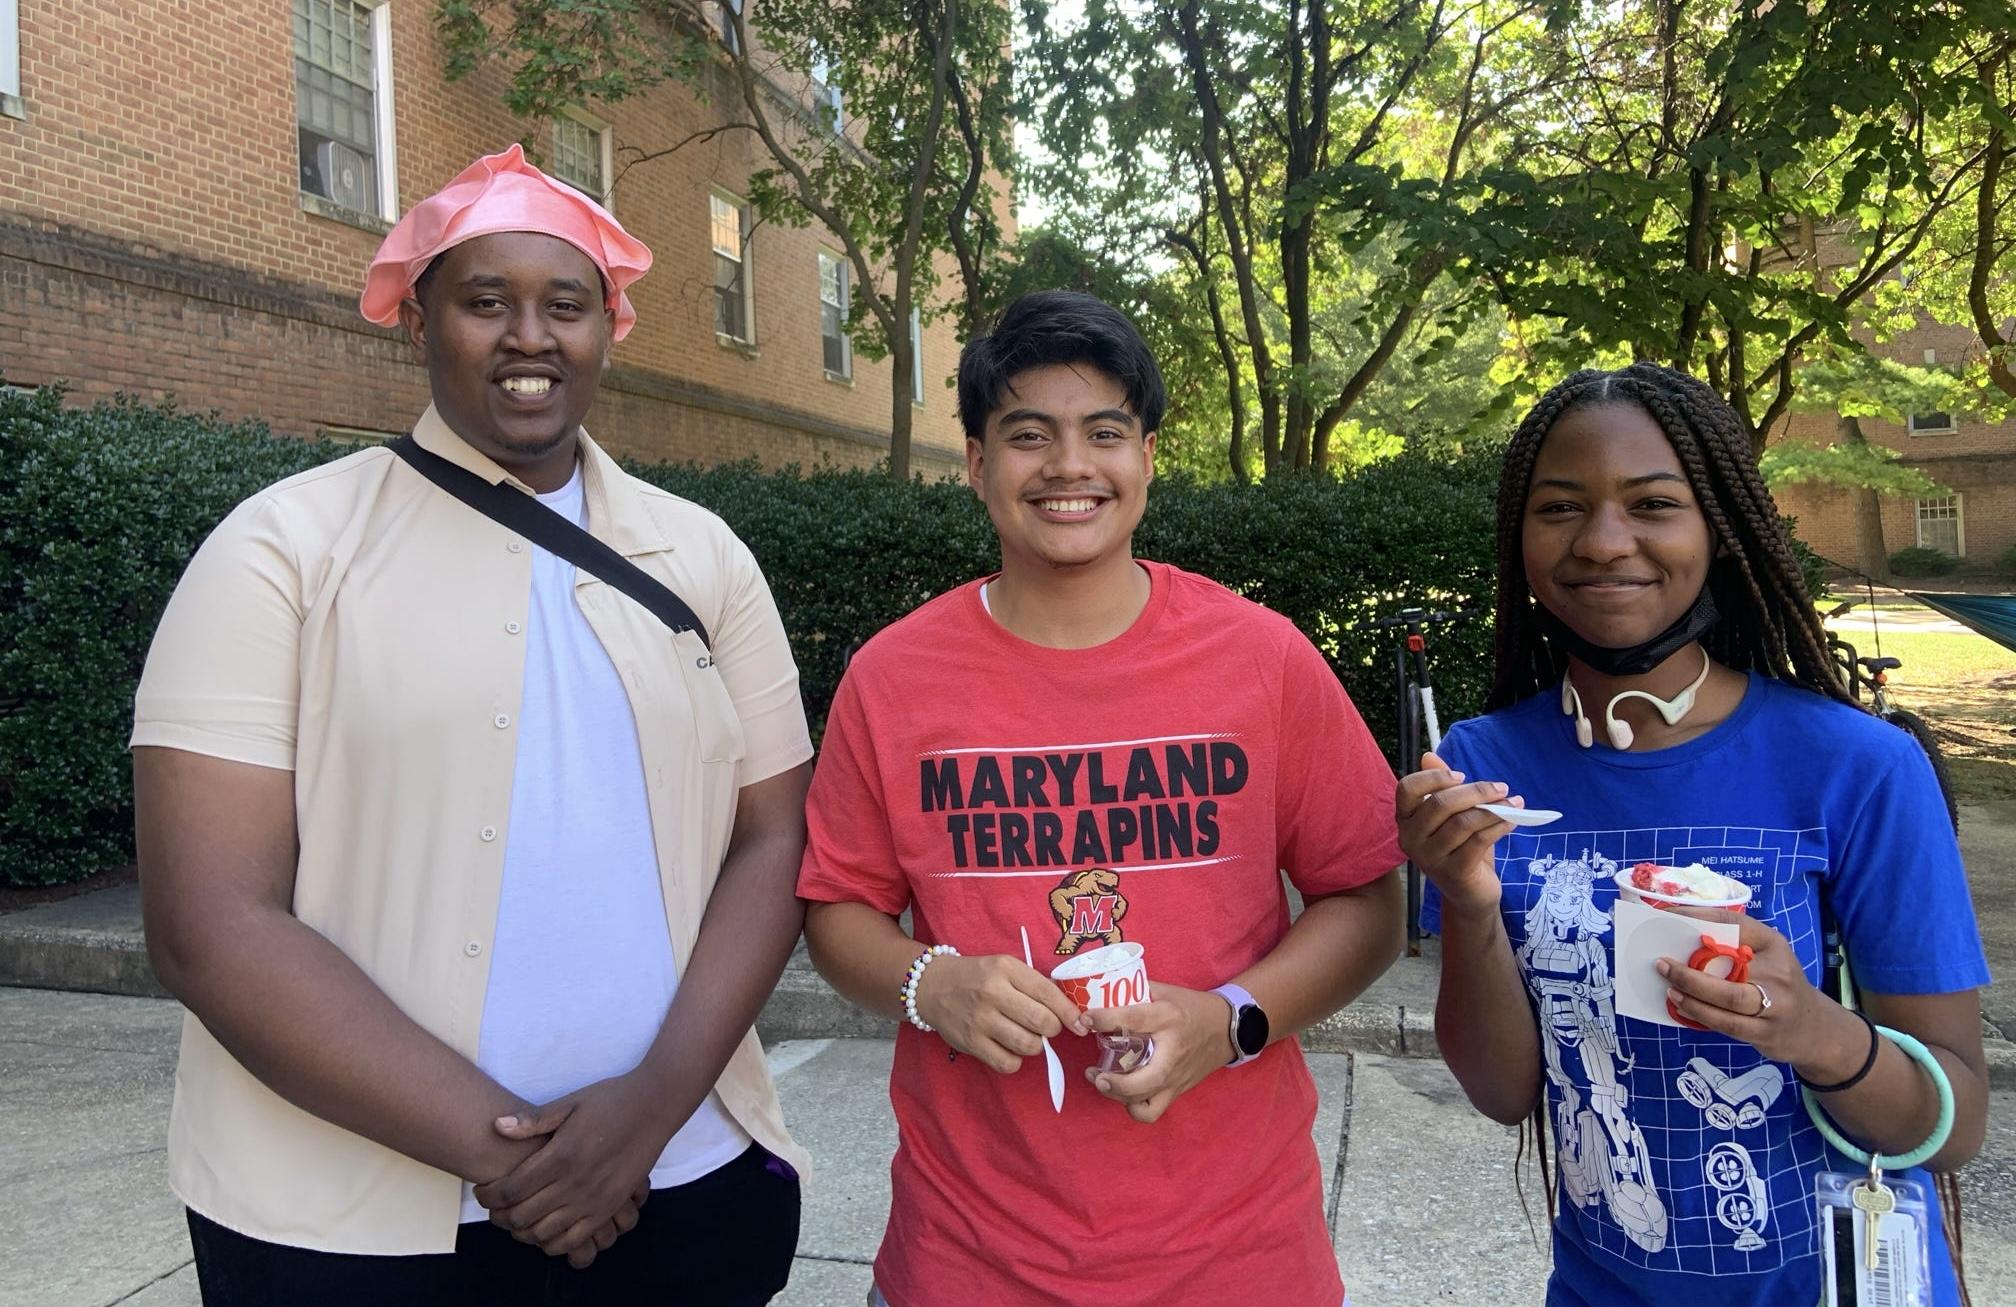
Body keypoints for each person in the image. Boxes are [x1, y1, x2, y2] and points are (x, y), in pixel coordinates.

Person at [132, 145, 813, 1305]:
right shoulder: (281, 550)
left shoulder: (702, 557)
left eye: (566, 305)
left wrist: (643, 1119)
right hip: (342, 1231)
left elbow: (773, 840)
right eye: (484, 301)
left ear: (613, 327)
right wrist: (526, 1164)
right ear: (417, 321)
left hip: (679, 1181)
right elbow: (211, 920)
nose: (529, 338)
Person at [796, 289, 1405, 1307]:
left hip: (1238, 1256)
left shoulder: (1262, 659)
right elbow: (836, 909)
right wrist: (928, 984)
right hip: (968, 1258)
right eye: (1029, 433)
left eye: (1104, 432)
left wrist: (1234, 1018)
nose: (1069, 465)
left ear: (1148, 459)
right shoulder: (893, 676)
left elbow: (1368, 900)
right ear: (980, 464)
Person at [1403, 363, 1989, 1305]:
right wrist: (1471, 900)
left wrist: (1814, 1031)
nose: (1603, 540)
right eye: (1560, 508)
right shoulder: (1484, 766)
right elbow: (1503, 1091)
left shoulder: (1858, 764)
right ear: (1520, 538)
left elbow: (1954, 1123)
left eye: (1653, 503)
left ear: (1716, 529)